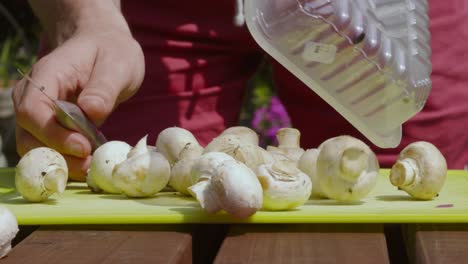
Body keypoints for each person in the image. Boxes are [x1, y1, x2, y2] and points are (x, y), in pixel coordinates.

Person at [13, 0, 468, 181]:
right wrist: (86, 20)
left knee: (404, 190)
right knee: (123, 180)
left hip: (369, 8)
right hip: (153, 8)